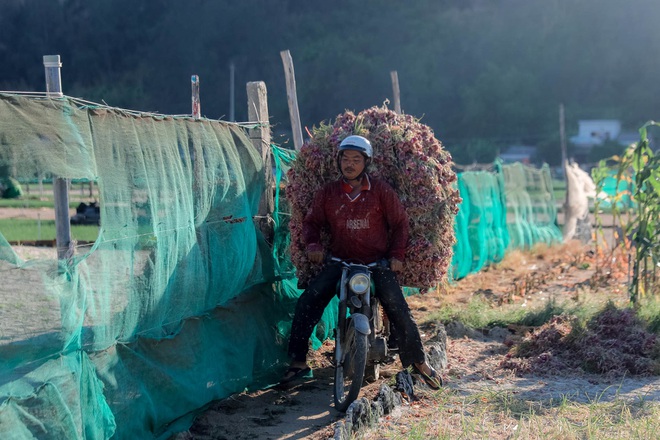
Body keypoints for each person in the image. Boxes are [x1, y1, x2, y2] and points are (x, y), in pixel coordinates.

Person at [281, 135, 442, 389]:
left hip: (376, 264)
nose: (350, 164)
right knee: (308, 301)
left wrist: (397, 256)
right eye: (345, 159)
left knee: (399, 309)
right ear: (338, 161)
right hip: (339, 262)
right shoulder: (329, 193)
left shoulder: (380, 191)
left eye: (356, 160)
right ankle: (298, 363)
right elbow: (311, 223)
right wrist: (314, 245)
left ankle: (418, 363)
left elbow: (400, 224)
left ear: (366, 163)